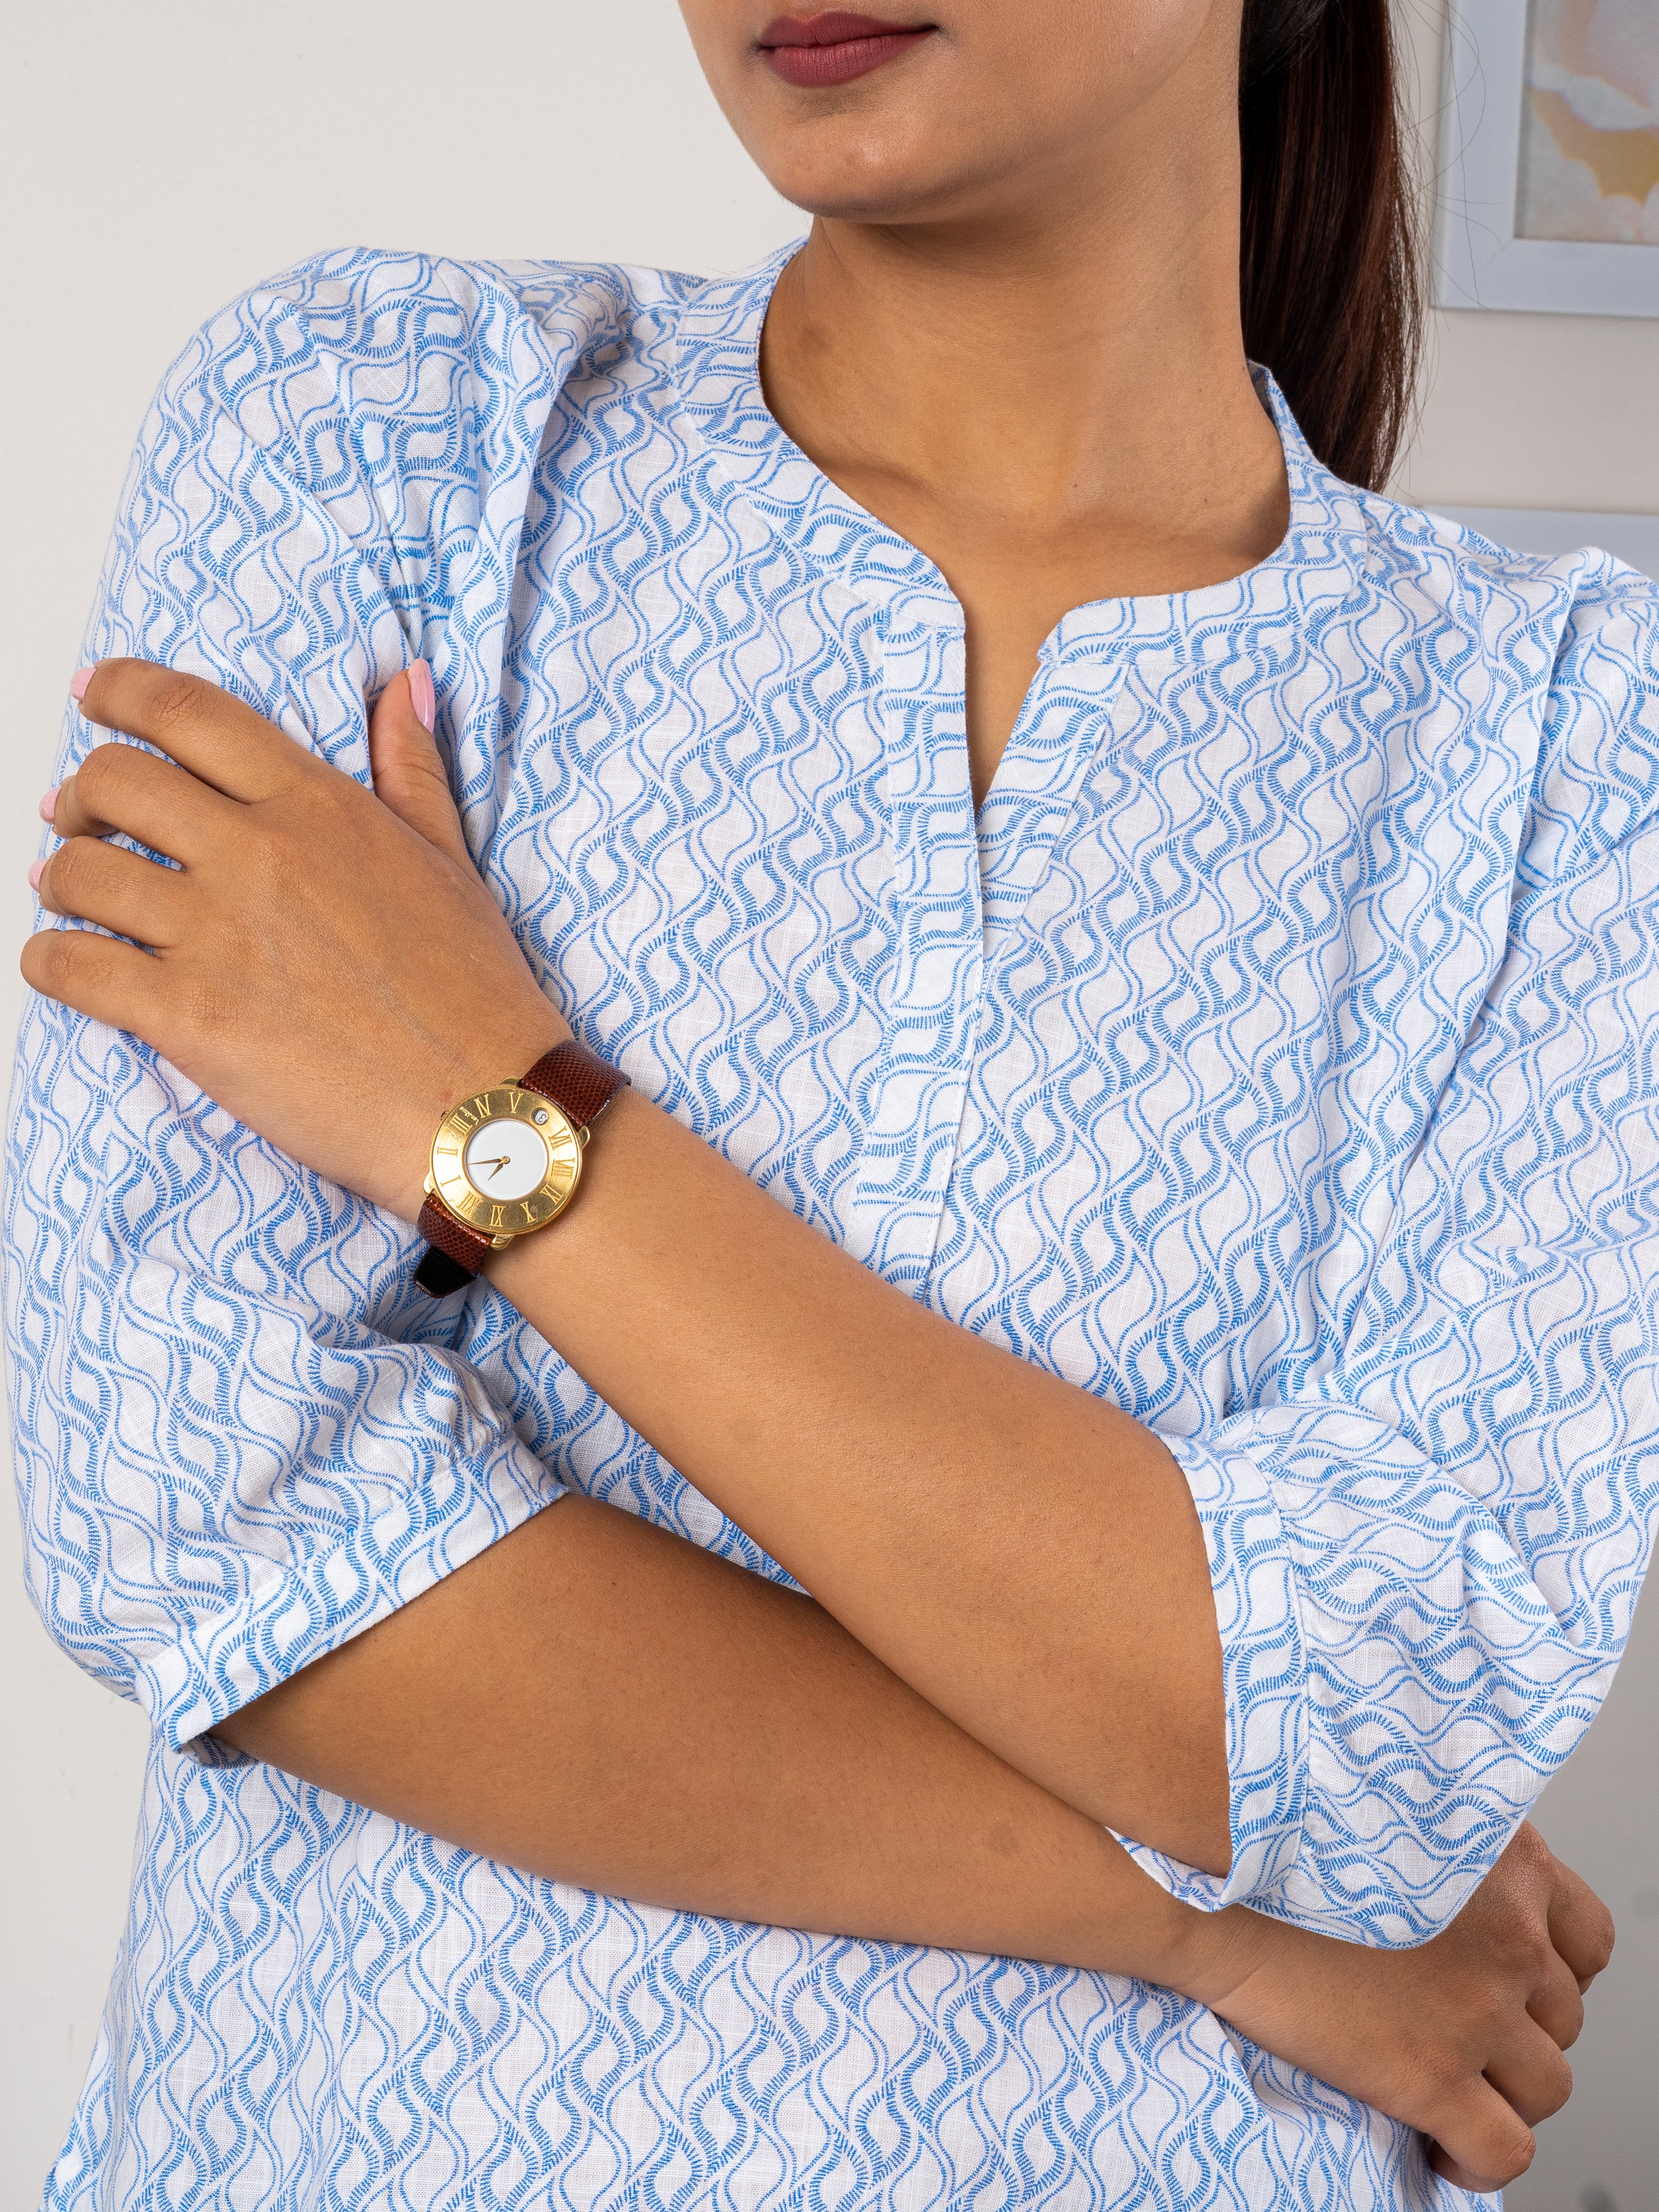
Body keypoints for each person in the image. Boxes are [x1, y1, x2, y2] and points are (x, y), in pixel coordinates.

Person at [9, 1, 1654, 2204]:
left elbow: (1376, 1732)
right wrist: (1222, 1930)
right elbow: (195, 1510)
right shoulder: (391, 437)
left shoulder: (1569, 747)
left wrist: (499, 1111)